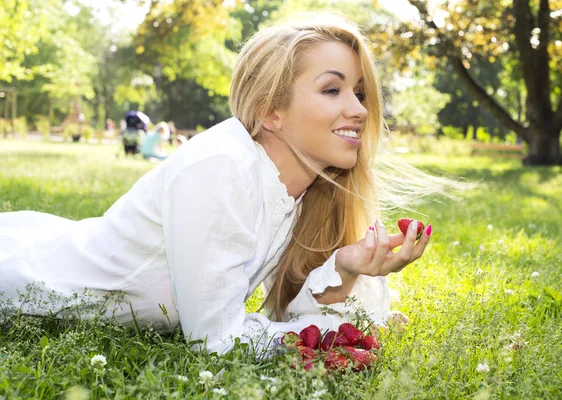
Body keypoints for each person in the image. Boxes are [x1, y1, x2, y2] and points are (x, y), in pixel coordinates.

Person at [0, 13, 444, 356]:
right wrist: (328, 335)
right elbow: (213, 340)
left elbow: (283, 311)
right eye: (333, 90)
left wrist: (345, 268)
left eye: (360, 93)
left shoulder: (300, 189)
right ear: (272, 112)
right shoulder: (221, 167)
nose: (360, 111)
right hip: (22, 274)